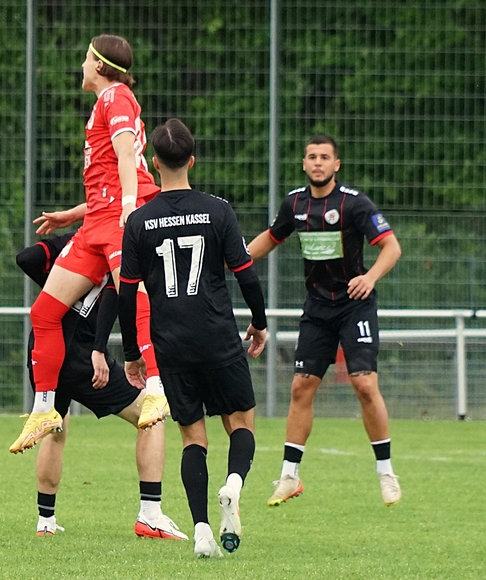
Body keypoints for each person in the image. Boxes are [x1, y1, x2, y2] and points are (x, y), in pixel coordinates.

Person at [118, 119, 268, 559]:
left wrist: (131, 353)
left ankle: (201, 530)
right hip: (218, 335)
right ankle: (234, 484)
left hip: (171, 343)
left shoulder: (139, 221)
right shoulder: (218, 211)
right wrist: (259, 323)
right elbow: (247, 275)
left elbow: (126, 294)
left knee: (193, 439)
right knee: (241, 424)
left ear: (154, 163)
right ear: (192, 160)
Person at [11, 34, 168, 454]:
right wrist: (73, 214)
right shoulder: (106, 101)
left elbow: (125, 157)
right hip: (97, 221)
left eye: (85, 59)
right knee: (44, 312)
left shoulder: (116, 96)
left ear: (99, 65)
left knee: (134, 297)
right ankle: (44, 409)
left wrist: (130, 207)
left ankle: (156, 388)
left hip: (116, 219)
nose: (80, 65)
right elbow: (111, 175)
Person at [247, 134, 403, 507]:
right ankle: (289, 477)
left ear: (336, 164)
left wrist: (370, 277)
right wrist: (234, 258)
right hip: (318, 308)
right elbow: (270, 238)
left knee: (364, 384)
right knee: (301, 387)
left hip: (354, 305)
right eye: (312, 157)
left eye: (324, 157)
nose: (318, 162)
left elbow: (391, 246)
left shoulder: (354, 203)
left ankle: (386, 473)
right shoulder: (294, 204)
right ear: (304, 164)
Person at [15, 233, 186, 540]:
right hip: (82, 355)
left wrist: (63, 291)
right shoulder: (116, 247)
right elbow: (114, 295)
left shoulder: (74, 242)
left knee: (55, 428)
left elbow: (26, 258)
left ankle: (45, 522)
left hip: (43, 351)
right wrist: (98, 348)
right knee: (151, 414)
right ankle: (150, 515)